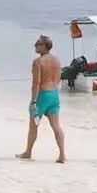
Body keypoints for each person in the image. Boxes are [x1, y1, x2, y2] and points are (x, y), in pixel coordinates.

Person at [16, 35, 67, 163]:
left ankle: (28, 152)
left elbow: (36, 83)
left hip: (42, 96)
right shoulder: (57, 60)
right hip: (54, 95)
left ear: (45, 46)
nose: (35, 45)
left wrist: (34, 100)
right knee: (56, 126)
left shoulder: (38, 62)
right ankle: (62, 155)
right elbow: (58, 79)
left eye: (38, 43)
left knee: (33, 126)